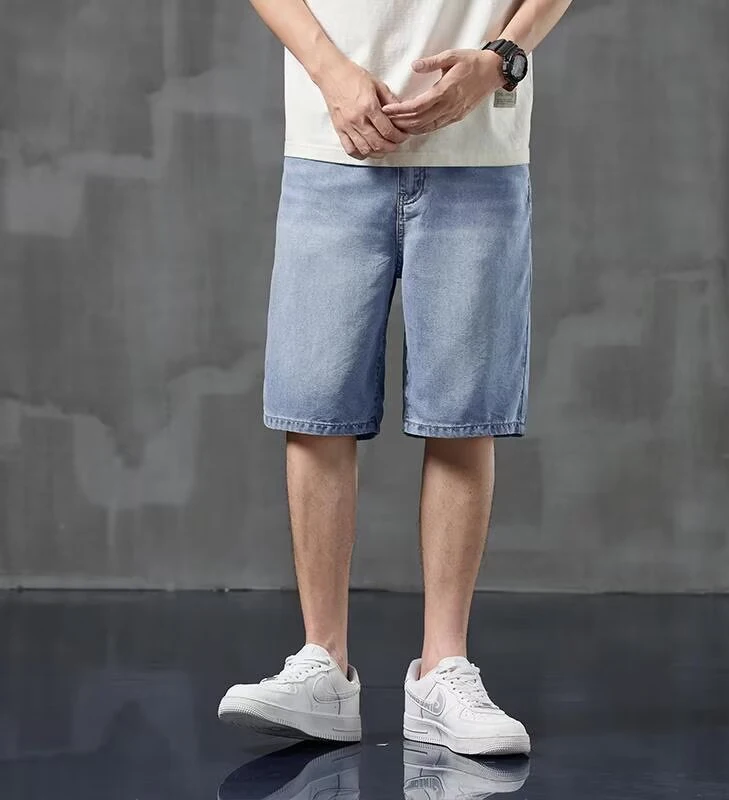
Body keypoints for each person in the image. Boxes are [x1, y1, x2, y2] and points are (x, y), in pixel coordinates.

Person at [218, 0, 573, 757]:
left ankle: (444, 670)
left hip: (479, 150)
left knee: (464, 414)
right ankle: (322, 665)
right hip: (331, 140)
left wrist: (502, 58)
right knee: (315, 407)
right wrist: (330, 72)